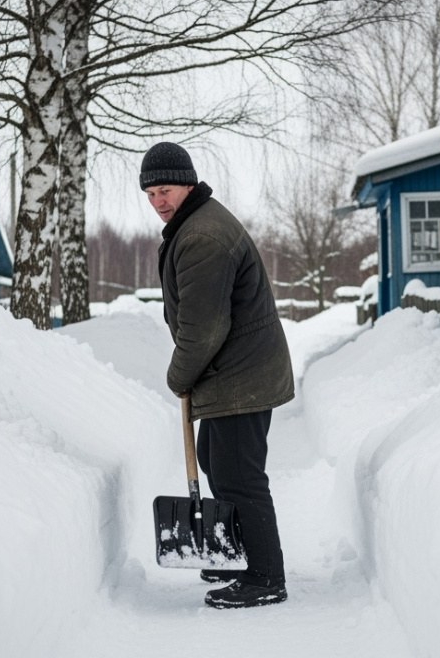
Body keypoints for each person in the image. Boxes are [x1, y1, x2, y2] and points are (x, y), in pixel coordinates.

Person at [142, 141, 294, 609]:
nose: (158, 202)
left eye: (164, 190)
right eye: (149, 194)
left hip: (240, 374)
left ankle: (265, 576)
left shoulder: (202, 237)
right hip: (235, 370)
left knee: (239, 476)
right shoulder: (195, 225)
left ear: (187, 183)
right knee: (215, 459)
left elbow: (203, 326)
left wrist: (179, 375)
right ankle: (241, 551)